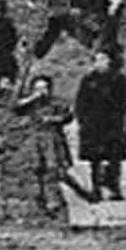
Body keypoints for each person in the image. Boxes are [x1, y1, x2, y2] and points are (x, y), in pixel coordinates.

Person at [74, 44, 126, 200]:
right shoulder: (89, 79)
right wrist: (82, 119)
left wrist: (123, 119)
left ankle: (115, 188)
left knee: (114, 157)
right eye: (97, 59)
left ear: (111, 61)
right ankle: (96, 188)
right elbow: (81, 102)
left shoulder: (119, 79)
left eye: (104, 59)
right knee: (94, 158)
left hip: (112, 123)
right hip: (93, 123)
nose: (100, 63)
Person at [11, 74, 73, 217]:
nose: (41, 91)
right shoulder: (31, 103)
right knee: (36, 168)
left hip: (52, 138)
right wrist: (31, 97)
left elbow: (67, 116)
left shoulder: (56, 102)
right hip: (34, 138)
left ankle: (53, 201)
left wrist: (53, 119)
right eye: (37, 88)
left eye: (44, 88)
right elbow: (15, 107)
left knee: (52, 169)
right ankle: (40, 201)